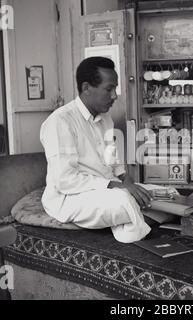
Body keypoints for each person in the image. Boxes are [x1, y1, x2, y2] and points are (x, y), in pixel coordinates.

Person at [40, 57, 152, 243]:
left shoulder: (105, 118)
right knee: (125, 202)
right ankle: (139, 237)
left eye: (115, 89)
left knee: (162, 194)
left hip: (107, 190)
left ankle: (132, 221)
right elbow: (65, 180)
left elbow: (113, 162)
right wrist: (118, 187)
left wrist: (127, 180)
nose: (115, 96)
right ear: (86, 88)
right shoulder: (60, 121)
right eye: (109, 89)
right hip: (69, 198)